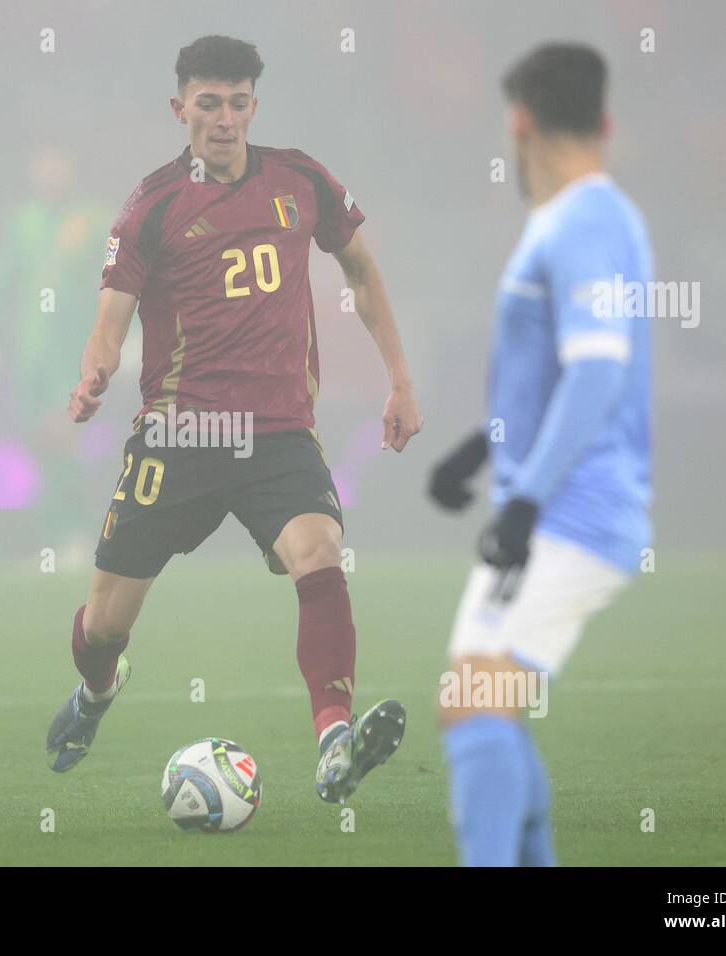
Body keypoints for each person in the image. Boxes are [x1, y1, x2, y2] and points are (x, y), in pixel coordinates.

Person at [46, 35, 423, 804]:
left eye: (238, 102)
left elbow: (359, 270)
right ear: (179, 108)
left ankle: (334, 741)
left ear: (255, 104)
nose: (223, 119)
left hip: (278, 430)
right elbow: (110, 314)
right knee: (105, 626)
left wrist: (399, 379)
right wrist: (97, 368)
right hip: (180, 436)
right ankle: (96, 691)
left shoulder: (301, 180)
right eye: (208, 103)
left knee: (319, 555)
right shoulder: (151, 205)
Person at [429, 43, 654, 864]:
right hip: (557, 501)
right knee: (479, 704)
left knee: (477, 700)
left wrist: (524, 502)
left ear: (519, 122)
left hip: (573, 509)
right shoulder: (596, 218)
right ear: (604, 120)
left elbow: (597, 372)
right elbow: (551, 379)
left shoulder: (584, 219)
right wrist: (478, 451)